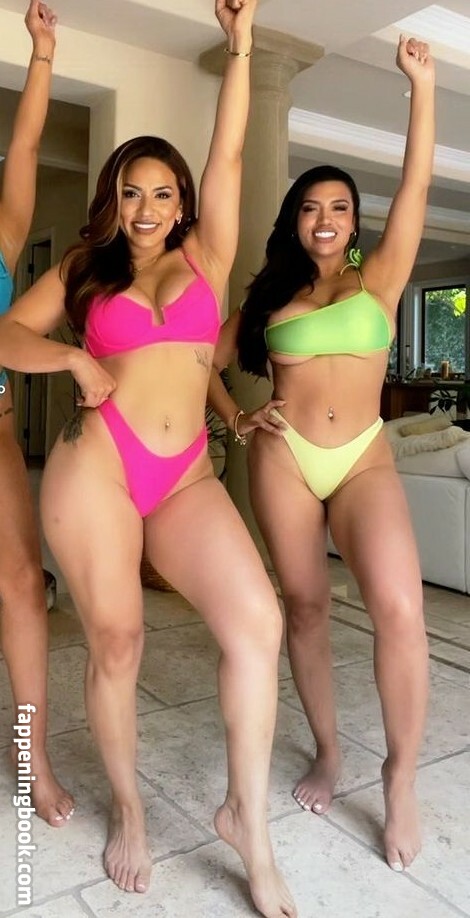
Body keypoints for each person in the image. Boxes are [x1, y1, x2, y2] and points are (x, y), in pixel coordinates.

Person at [0, 2, 297, 914]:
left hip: (185, 475)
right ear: (113, 199)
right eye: (131, 192)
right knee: (118, 642)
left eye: (163, 193)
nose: (146, 208)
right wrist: (73, 359)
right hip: (97, 468)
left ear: (183, 205)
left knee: (258, 624)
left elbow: (230, 155)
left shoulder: (209, 256)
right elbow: (7, 334)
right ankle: (128, 808)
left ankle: (246, 821)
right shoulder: (84, 267)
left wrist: (241, 49)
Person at [208, 34, 435, 874]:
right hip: (285, 457)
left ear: (354, 221)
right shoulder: (270, 296)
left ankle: (400, 776)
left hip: (365, 454)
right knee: (303, 609)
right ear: (295, 221)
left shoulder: (382, 278)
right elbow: (198, 360)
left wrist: (422, 88)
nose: (326, 219)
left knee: (400, 610)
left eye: (339, 207)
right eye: (311, 207)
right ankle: (330, 752)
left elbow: (416, 183)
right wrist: (238, 419)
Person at [0, 0, 74, 826]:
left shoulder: (2, 235)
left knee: (23, 583)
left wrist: (42, 53)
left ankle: (33, 759)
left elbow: (23, 147)